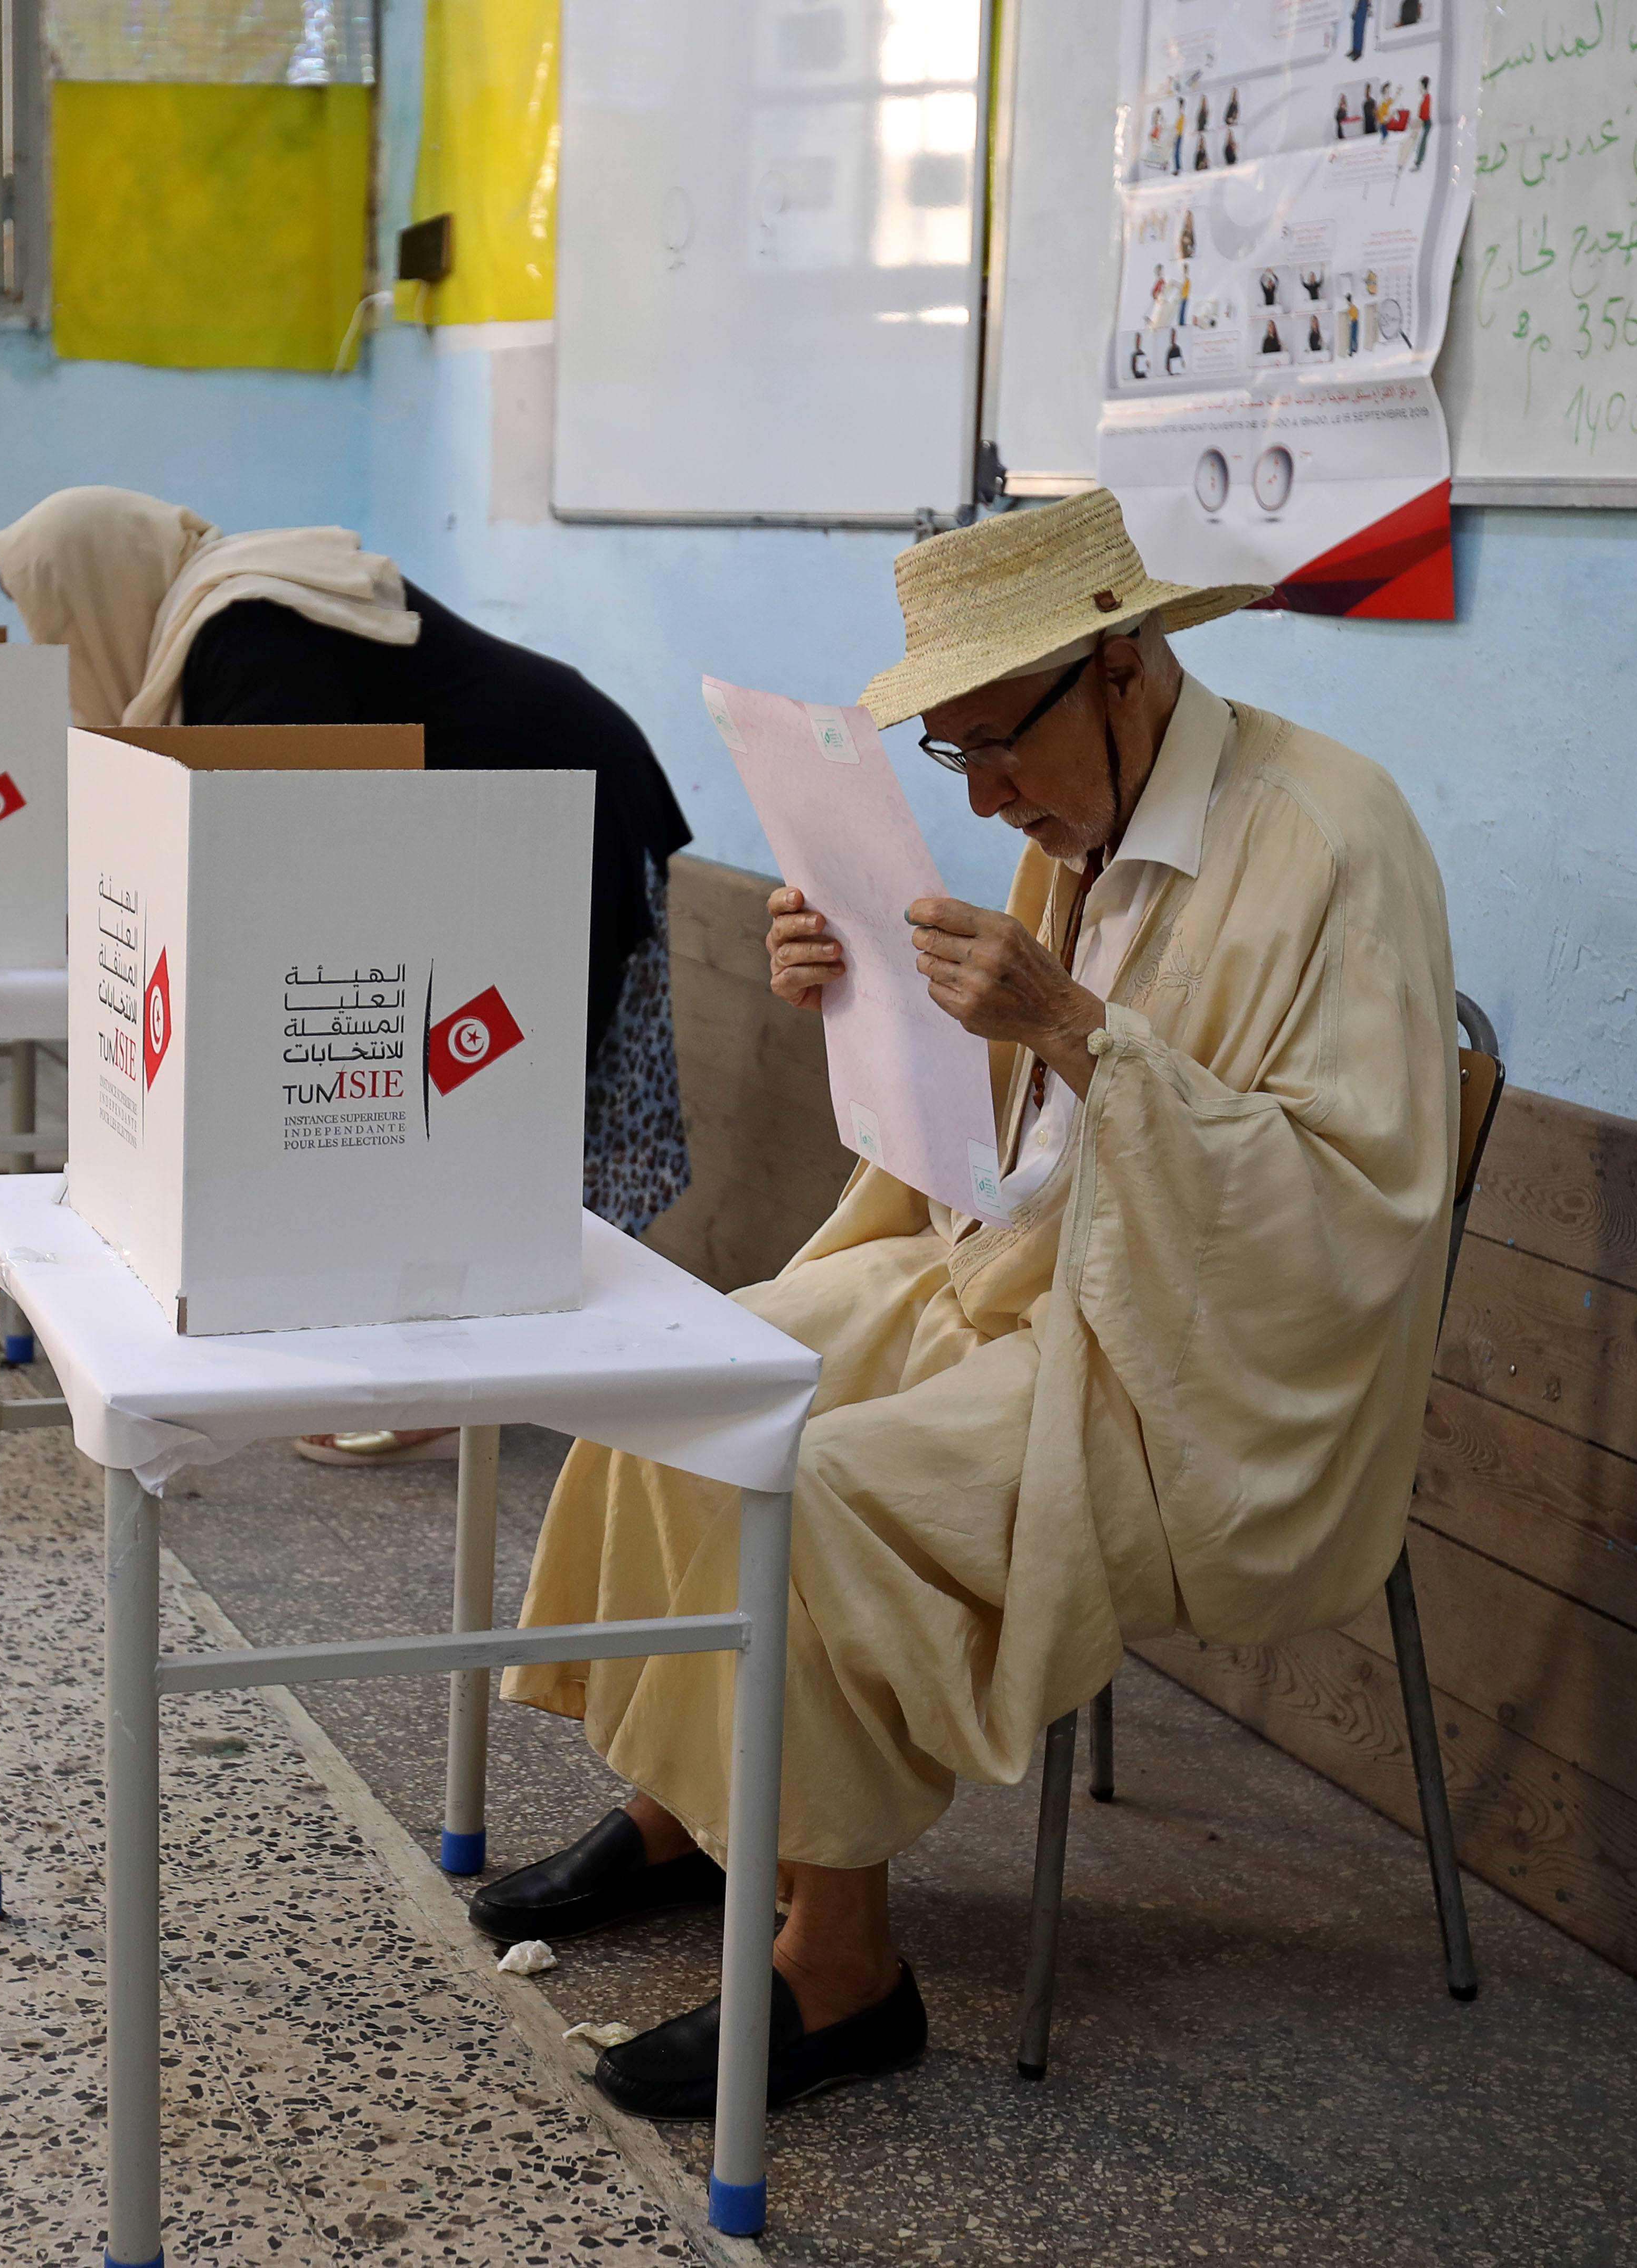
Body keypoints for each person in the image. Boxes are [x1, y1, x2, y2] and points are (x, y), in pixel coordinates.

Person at [465, 491, 1456, 2118]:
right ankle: (695, 1806)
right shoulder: (1074, 802)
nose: (985, 792)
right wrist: (860, 982)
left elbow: (1350, 1215)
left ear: (1121, 668)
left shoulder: (1334, 841)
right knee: (696, 1372)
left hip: (1196, 1360)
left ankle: (840, 1969)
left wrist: (1073, 1025)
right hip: (1019, 1264)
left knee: (826, 1487)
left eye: (996, 745)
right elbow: (1009, 1131)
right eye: (953, 757)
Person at [0, 487, 697, 1466]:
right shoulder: (228, 608)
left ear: (103, 585)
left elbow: (272, 834)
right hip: (503, 819)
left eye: (58, 625)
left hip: (549, 816)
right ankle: (447, 1351)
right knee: (457, 1092)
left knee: (490, 1097)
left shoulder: (249, 627)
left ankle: (463, 1377)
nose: (59, 656)